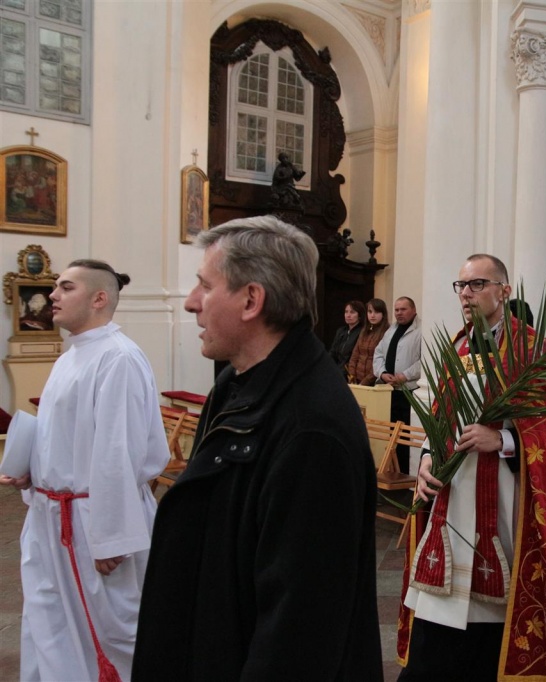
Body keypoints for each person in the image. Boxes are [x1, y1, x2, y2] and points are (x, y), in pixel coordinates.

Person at [132, 216, 383, 680]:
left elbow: (300, 629)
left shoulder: (312, 428)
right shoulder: (235, 385)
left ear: (251, 300)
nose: (190, 303)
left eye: (204, 286)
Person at [397, 254, 546, 682]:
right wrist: (425, 458)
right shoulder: (459, 347)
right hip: (452, 502)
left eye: (477, 284)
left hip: (507, 504)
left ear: (505, 291)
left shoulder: (535, 350)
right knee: (435, 640)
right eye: (461, 286)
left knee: (494, 624)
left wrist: (506, 440)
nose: (466, 294)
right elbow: (440, 415)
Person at [0, 259, 169, 681]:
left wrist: (111, 536)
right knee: (52, 625)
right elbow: (65, 434)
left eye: (65, 287)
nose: (53, 295)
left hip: (96, 525)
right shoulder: (71, 357)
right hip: (54, 517)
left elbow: (119, 452)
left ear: (99, 298)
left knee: (112, 633)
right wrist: (32, 471)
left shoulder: (118, 358)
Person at [374, 296, 423, 474]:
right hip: (390, 390)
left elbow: (423, 361)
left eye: (403, 309)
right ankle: (391, 470)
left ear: (413, 310)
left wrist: (404, 375)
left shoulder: (421, 330)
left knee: (404, 435)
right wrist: (382, 373)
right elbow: (378, 353)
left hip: (409, 391)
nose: (399, 313)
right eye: (396, 310)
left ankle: (404, 472)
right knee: (391, 432)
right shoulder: (391, 330)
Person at [347, 298, 388, 385]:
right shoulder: (364, 330)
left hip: (374, 381)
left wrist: (365, 382)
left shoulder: (387, 332)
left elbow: (381, 361)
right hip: (357, 379)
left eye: (376, 312)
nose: (372, 315)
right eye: (370, 312)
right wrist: (352, 376)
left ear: (383, 314)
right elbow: (355, 355)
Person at [329, 299, 365, 367]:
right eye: (346, 312)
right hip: (336, 368)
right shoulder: (341, 331)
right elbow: (333, 352)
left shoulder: (362, 332)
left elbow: (353, 357)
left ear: (359, 315)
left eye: (352, 312)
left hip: (349, 370)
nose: (348, 315)